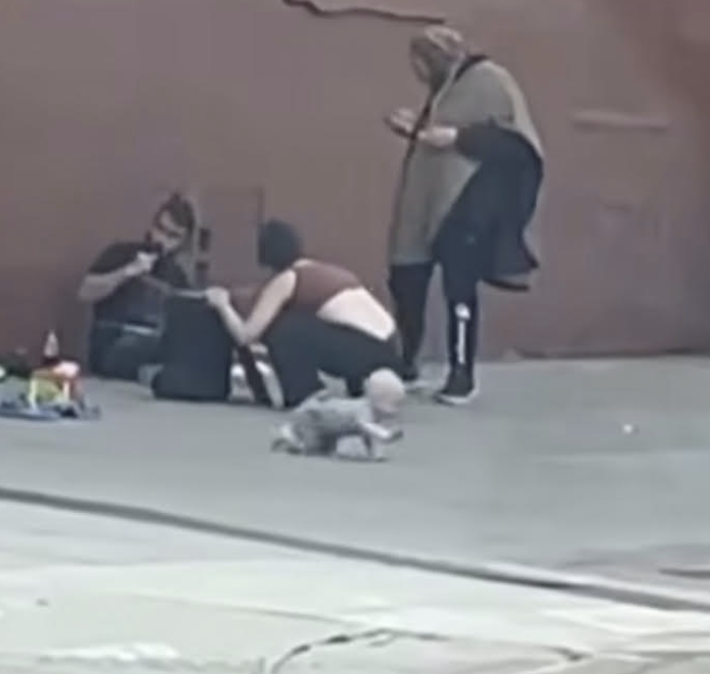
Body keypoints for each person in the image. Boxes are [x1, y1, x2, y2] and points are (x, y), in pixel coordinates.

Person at [384, 24, 544, 405]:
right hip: (424, 200)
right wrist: (415, 129)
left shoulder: (491, 81)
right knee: (406, 277)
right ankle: (407, 362)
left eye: (420, 63)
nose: (418, 73)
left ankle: (462, 376)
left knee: (459, 289)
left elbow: (517, 145)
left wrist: (458, 139)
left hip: (467, 203)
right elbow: (439, 134)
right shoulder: (445, 89)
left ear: (436, 57)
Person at [203, 219, 406, 417]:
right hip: (391, 348)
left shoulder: (288, 278)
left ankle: (304, 394)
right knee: (322, 323)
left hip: (362, 351)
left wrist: (223, 304)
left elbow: (247, 335)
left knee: (284, 327)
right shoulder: (326, 270)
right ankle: (356, 390)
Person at [78, 192, 197, 380]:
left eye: (173, 236)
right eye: (161, 229)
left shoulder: (177, 275)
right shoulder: (121, 253)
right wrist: (126, 272)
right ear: (152, 226)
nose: (163, 239)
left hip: (156, 344)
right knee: (137, 345)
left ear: (182, 242)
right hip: (114, 343)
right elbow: (85, 292)